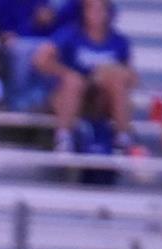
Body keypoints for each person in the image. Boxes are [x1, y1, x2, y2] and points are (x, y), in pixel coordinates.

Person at [35, 0, 139, 153]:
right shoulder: (69, 34)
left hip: (102, 98)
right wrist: (66, 73)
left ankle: (122, 136)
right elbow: (41, 60)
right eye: (91, 9)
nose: (96, 14)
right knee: (73, 82)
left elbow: (132, 77)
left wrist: (111, 74)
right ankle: (63, 137)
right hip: (69, 94)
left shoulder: (119, 41)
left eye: (100, 9)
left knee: (117, 79)